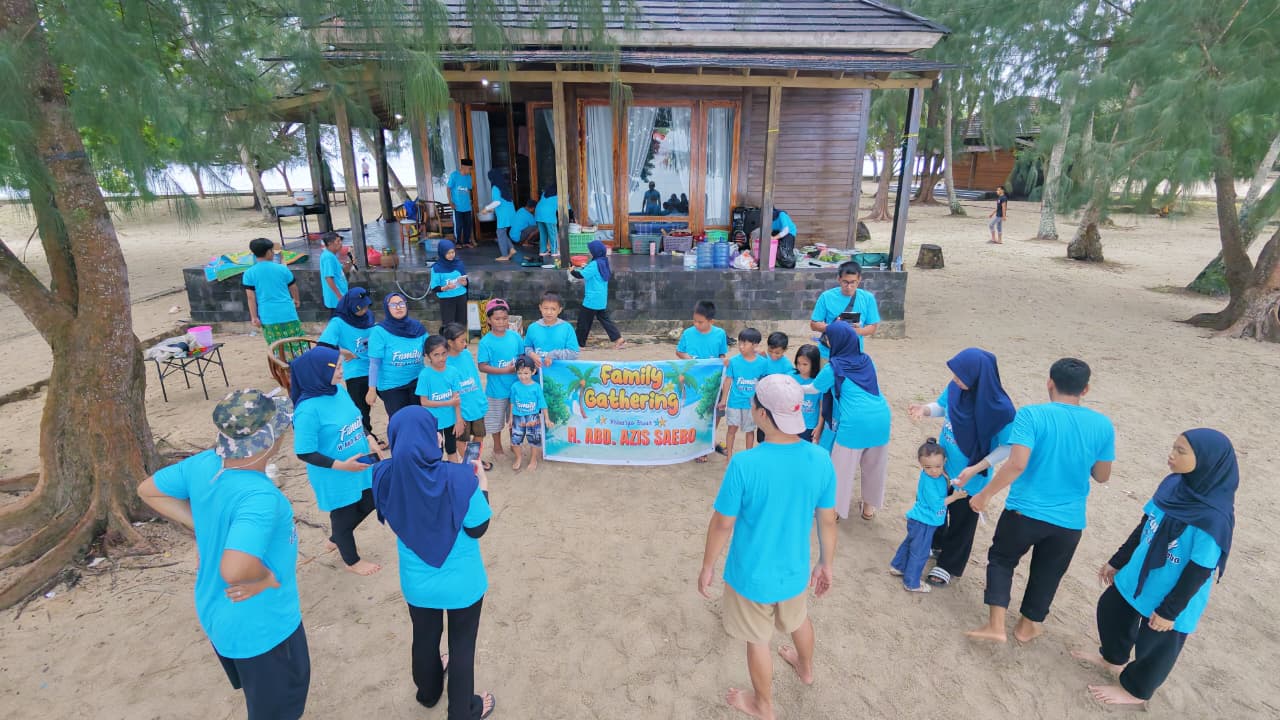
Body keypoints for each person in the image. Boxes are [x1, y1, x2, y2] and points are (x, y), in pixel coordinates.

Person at [136, 389, 308, 720]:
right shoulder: (259, 498)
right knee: (279, 710)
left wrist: (204, 529)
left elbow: (149, 490)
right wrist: (266, 577)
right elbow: (234, 569)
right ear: (267, 441)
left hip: (218, 613)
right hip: (263, 627)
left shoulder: (203, 464)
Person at [698, 375, 838, 720]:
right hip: (794, 570)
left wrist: (707, 565)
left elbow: (723, 523)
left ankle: (763, 704)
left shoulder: (745, 464)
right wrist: (826, 563)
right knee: (798, 619)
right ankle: (806, 670)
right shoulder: (820, 459)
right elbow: (828, 519)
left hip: (751, 574)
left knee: (758, 639)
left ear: (759, 413)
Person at [1071, 429, 1237, 708]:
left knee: (1156, 647)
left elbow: (1199, 571)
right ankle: (1113, 658)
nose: (1172, 455)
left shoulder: (1213, 518)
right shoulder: (1173, 485)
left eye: (1181, 451)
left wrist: (1169, 611)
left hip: (1172, 595)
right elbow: (1145, 524)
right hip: (1138, 575)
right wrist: (1118, 560)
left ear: (1207, 461)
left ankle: (1136, 691)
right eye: (1174, 447)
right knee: (1111, 609)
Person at [966, 357, 1116, 644]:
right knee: (1048, 573)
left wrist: (985, 495)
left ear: (1049, 382)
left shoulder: (1031, 415)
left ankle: (996, 625)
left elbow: (1017, 463)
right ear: (1085, 390)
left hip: (1024, 512)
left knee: (1002, 560)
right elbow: (1102, 475)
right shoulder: (1102, 425)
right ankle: (1026, 626)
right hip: (1069, 521)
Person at [371, 407, 497, 720]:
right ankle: (462, 710)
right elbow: (477, 527)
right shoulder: (459, 478)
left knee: (424, 637)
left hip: (417, 584)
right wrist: (481, 483)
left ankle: (427, 693)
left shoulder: (384, 476)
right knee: (461, 646)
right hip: (463, 585)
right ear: (435, 439)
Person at [907, 347, 1017, 587]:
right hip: (941, 468)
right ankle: (936, 543)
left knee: (962, 519)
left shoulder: (1002, 410)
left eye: (960, 376)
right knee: (935, 505)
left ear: (978, 377)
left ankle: (948, 564)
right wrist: (925, 410)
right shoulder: (956, 388)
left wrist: (977, 467)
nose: (955, 379)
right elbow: (943, 407)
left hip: (971, 476)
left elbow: (1008, 447)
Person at [290, 347, 381, 576]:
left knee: (372, 498)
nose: (342, 371)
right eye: (337, 368)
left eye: (341, 366)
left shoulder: (337, 391)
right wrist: (341, 466)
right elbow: (304, 452)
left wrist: (369, 438)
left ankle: (336, 536)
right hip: (334, 473)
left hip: (359, 463)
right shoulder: (308, 410)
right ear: (318, 372)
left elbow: (356, 419)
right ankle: (351, 559)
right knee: (343, 515)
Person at [809, 322, 891, 520]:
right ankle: (869, 509)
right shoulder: (866, 360)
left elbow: (814, 389)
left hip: (854, 423)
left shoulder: (833, 367)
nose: (825, 340)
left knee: (841, 469)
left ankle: (835, 511)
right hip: (882, 418)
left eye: (828, 337)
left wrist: (791, 385)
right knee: (874, 466)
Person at [890, 438, 968, 593]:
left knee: (910, 543)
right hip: (924, 522)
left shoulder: (940, 476)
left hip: (921, 521)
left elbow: (945, 480)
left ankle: (898, 566)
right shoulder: (928, 481)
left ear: (944, 461)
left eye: (938, 466)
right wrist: (955, 497)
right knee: (920, 553)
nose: (934, 470)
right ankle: (912, 583)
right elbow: (937, 503)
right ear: (921, 465)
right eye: (928, 467)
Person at [318, 287, 378, 437]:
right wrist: (344, 352)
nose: (364, 311)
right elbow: (322, 346)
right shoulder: (338, 322)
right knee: (361, 407)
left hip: (375, 365)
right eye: (359, 309)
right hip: (356, 368)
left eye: (366, 307)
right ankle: (368, 437)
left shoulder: (368, 316)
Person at [367, 293, 427, 421]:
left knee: (419, 419)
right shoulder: (379, 332)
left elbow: (431, 351)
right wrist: (371, 390)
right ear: (387, 308)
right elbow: (374, 364)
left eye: (401, 303)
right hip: (392, 386)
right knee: (399, 422)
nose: (398, 307)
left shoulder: (418, 328)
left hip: (417, 382)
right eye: (393, 305)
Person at [477, 299, 523, 460]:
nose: (501, 322)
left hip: (515, 388)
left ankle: (514, 442)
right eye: (497, 319)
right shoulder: (486, 342)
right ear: (489, 320)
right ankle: (497, 447)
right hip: (496, 390)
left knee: (514, 418)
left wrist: (520, 366)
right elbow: (482, 366)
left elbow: (522, 356)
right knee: (495, 421)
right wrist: (505, 370)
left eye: (504, 318)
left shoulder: (515, 337)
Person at [443, 322, 492, 471]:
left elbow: (474, 377)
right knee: (461, 438)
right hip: (459, 409)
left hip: (476, 403)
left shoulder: (466, 354)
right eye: (462, 341)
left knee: (479, 434)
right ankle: (468, 465)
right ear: (450, 343)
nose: (465, 344)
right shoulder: (444, 361)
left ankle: (473, 460)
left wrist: (481, 399)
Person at [716, 327, 768, 461]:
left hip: (752, 405)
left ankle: (748, 458)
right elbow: (728, 380)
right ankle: (729, 457)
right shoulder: (734, 361)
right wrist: (723, 400)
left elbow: (765, 382)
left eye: (745, 343)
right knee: (731, 430)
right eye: (740, 342)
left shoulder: (763, 363)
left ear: (755, 345)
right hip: (734, 403)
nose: (741, 346)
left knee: (750, 431)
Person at [809, 262, 880, 357]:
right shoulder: (826, 297)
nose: (849, 286)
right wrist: (835, 328)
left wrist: (857, 331)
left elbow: (873, 326)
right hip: (828, 353)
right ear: (839, 279)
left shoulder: (868, 298)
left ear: (859, 279)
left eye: (853, 282)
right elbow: (814, 325)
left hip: (854, 353)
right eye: (845, 282)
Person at [242, 237, 302, 348]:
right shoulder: (282, 269)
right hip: (288, 313)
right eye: (272, 250)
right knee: (296, 345)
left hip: (268, 316)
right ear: (269, 252)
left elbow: (251, 297)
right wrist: (296, 299)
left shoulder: (249, 273)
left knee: (276, 347)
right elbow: (293, 287)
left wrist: (254, 317)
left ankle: (279, 364)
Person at [570, 240, 625, 350]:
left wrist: (572, 270)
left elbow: (580, 275)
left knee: (584, 321)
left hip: (592, 298)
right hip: (601, 297)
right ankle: (618, 339)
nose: (589, 253)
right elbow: (593, 271)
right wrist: (586, 266)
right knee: (604, 319)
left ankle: (579, 344)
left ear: (594, 252)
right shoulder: (603, 261)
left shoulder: (595, 264)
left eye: (590, 251)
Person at [416, 335, 463, 461]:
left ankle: (454, 477)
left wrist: (459, 420)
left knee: (452, 449)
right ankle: (439, 478)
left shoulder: (452, 371)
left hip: (451, 420)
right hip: (433, 422)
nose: (441, 358)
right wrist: (448, 402)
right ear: (427, 356)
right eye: (436, 355)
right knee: (437, 452)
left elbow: (456, 399)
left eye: (444, 353)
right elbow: (424, 402)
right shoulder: (425, 375)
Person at [508, 356, 549, 472]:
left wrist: (546, 418)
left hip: (533, 417)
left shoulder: (536, 387)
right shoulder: (515, 386)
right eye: (519, 373)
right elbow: (512, 402)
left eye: (526, 373)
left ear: (533, 371)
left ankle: (533, 459)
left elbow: (542, 403)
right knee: (515, 440)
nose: (523, 376)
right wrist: (510, 417)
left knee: (534, 439)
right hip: (518, 417)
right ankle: (518, 457)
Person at [523, 291, 579, 368]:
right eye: (545, 308)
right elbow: (527, 347)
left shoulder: (567, 328)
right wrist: (531, 354)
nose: (549, 312)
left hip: (561, 372)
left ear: (559, 310)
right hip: (538, 372)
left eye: (553, 309)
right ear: (540, 308)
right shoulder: (533, 328)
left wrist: (553, 355)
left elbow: (574, 353)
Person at [430, 240, 469, 329]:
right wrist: (446, 287)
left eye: (452, 252)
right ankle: (449, 342)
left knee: (462, 323)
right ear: (442, 253)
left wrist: (465, 282)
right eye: (448, 253)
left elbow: (465, 281)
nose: (451, 255)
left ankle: (461, 341)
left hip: (461, 297)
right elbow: (434, 287)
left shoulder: (459, 264)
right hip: (447, 299)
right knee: (449, 325)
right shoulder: (436, 268)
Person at [482, 169, 517, 261]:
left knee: (500, 233)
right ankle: (512, 249)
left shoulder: (495, 188)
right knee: (502, 232)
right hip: (510, 213)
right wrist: (491, 209)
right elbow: (501, 201)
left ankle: (505, 255)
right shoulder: (503, 186)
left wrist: (486, 208)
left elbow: (497, 202)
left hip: (504, 214)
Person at [791, 344, 823, 444]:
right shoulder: (790, 377)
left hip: (809, 426)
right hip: (791, 424)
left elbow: (822, 407)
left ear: (814, 364)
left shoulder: (819, 382)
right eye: (798, 363)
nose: (800, 367)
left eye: (805, 364)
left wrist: (819, 426)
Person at [319, 232, 348, 315]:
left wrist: (350, 262)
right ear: (330, 243)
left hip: (340, 294)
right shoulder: (328, 257)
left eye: (340, 241)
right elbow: (328, 278)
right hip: (337, 297)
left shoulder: (332, 255)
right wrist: (338, 295)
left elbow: (342, 271)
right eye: (338, 241)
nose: (340, 243)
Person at [448, 159, 475, 248]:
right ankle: (458, 243)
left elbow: (469, 190)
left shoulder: (468, 177)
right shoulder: (454, 175)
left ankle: (466, 242)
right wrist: (450, 202)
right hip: (457, 206)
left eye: (471, 169)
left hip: (467, 206)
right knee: (459, 225)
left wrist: (471, 201)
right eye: (469, 168)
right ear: (463, 167)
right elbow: (448, 189)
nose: (470, 170)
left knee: (468, 224)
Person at [535, 183, 560, 258]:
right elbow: (567, 207)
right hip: (548, 215)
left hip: (538, 213)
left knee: (543, 233)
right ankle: (554, 251)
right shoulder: (559, 195)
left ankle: (542, 251)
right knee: (553, 234)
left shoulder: (544, 194)